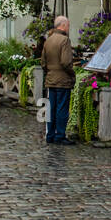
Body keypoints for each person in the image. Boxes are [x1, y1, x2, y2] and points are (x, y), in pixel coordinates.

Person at [42, 16, 74, 144]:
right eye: (68, 26)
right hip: (62, 79)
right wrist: (72, 74)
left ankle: (50, 134)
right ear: (64, 25)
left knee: (51, 108)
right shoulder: (64, 40)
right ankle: (60, 135)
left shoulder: (48, 40)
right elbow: (66, 62)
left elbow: (43, 63)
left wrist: (49, 72)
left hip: (51, 79)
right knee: (62, 108)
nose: (68, 28)